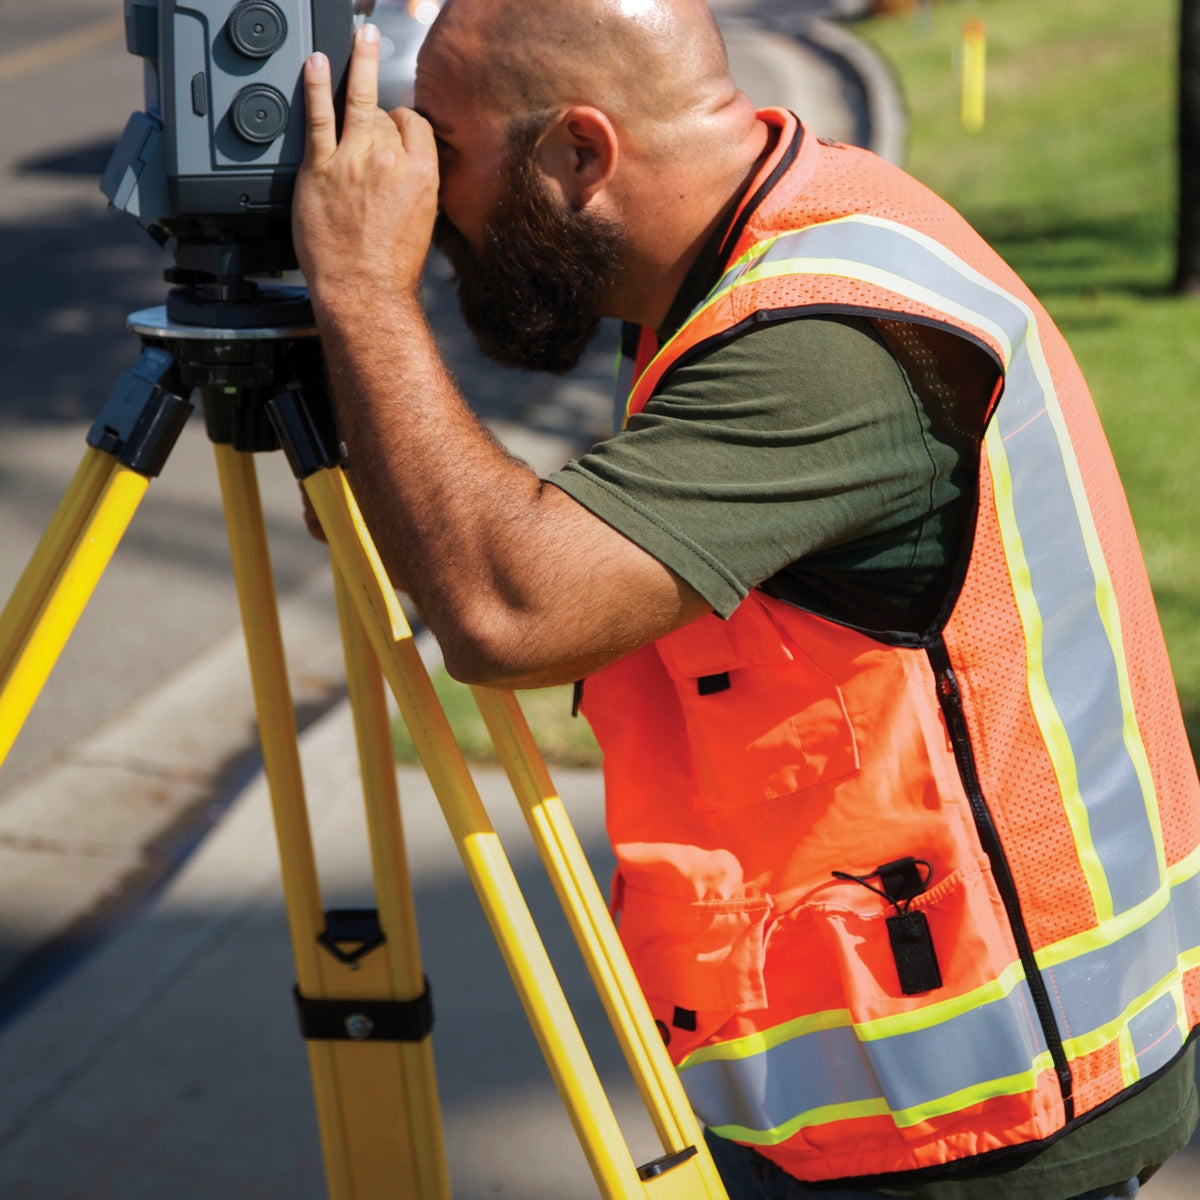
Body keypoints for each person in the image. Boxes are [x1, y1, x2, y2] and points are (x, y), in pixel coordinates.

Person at [291, 2, 1200, 1197]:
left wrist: (362, 288)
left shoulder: (825, 350)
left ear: (580, 152)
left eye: (442, 152)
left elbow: (506, 611)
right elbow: (452, 537)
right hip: (887, 1074)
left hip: (971, 1120)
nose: (422, 196)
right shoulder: (761, 230)